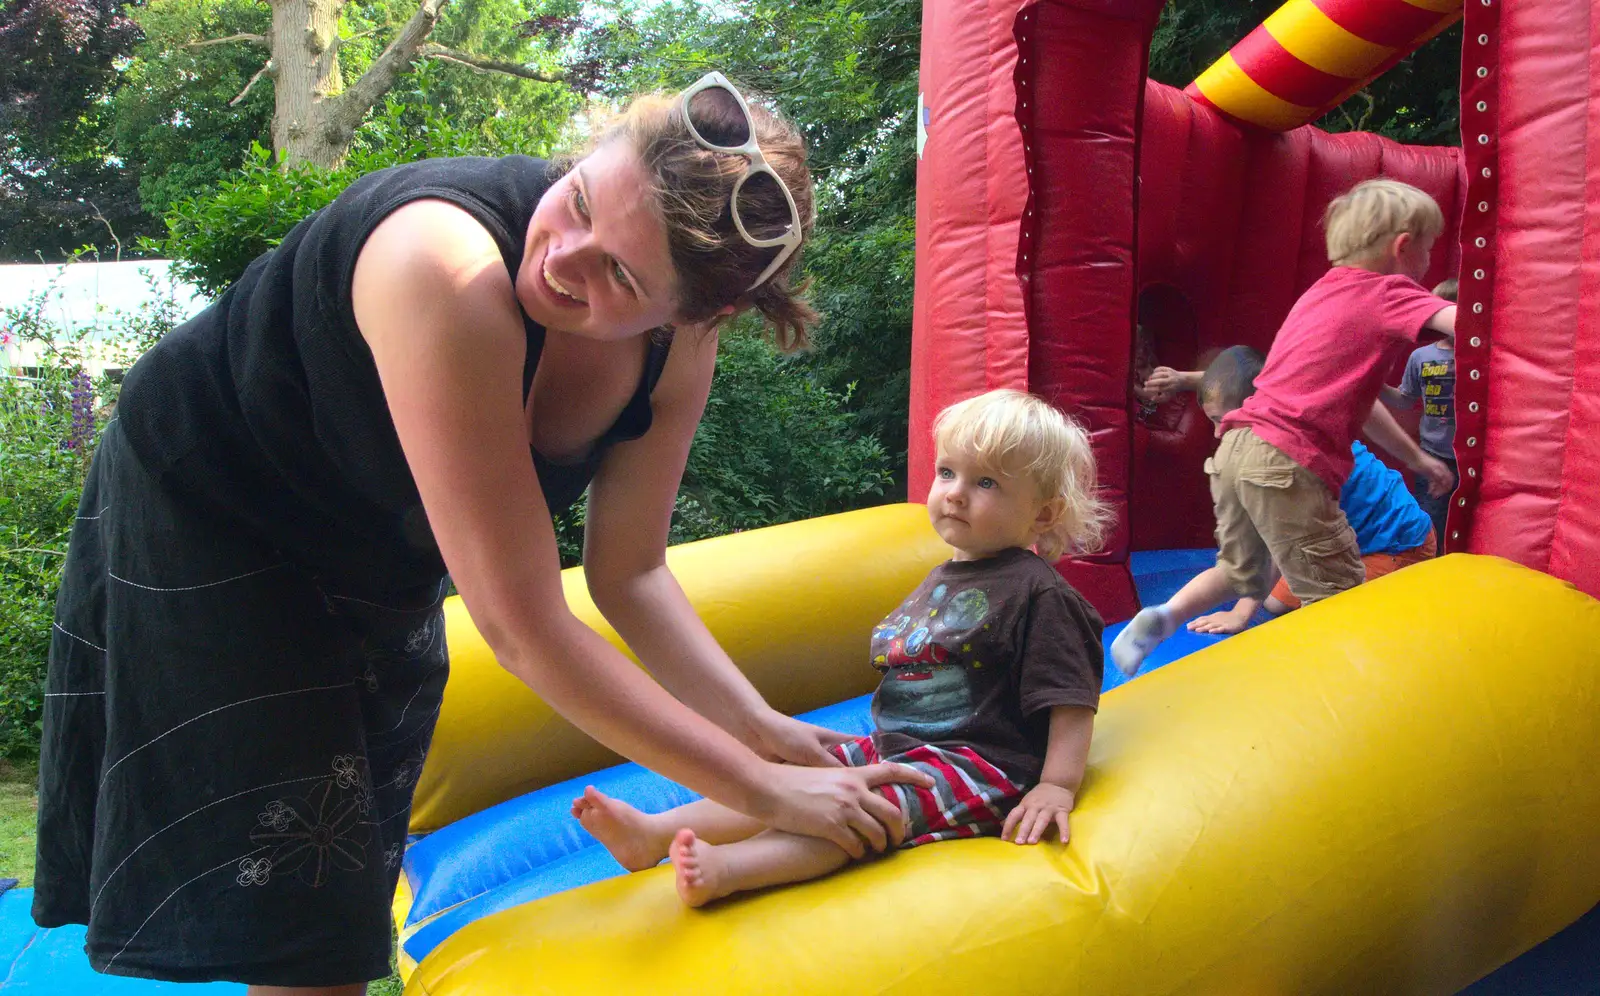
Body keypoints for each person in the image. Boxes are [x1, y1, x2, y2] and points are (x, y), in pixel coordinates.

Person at [33, 72, 935, 994]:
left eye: (620, 274)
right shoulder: (442, 265)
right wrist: (764, 790)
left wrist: (766, 731)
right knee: (304, 910)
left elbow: (631, 576)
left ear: (704, 315)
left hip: (367, 536)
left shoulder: (678, 347)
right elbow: (520, 623)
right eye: (577, 200)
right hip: (216, 503)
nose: (564, 260)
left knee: (345, 857)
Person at [571, 389, 1109, 907]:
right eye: (947, 472)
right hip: (896, 746)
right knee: (793, 777)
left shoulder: (1040, 594)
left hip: (976, 763)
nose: (954, 492)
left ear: (1042, 514)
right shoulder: (946, 576)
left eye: (986, 482)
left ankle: (733, 870)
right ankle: (655, 834)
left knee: (861, 813)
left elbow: (1069, 699)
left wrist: (1056, 786)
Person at [1111, 179, 1457, 677]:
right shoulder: (1389, 289)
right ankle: (1338, 693)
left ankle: (1163, 617)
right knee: (1337, 592)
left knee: (1238, 569)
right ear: (1403, 246)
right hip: (1288, 460)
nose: (1428, 261)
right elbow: (1466, 324)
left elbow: (1359, 406)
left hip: (1234, 449)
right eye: (1429, 249)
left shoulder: (1320, 296)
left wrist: (1420, 460)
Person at [1163, 347, 1438, 635]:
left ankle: (1399, 588)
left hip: (1399, 547)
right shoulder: (1286, 415)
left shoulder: (1291, 463)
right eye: (1213, 421)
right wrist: (1184, 379)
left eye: (1223, 420)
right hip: (1356, 536)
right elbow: (1244, 380)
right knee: (1273, 603)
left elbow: (1275, 547)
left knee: (1319, 617)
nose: (1219, 433)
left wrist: (1239, 615)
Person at [1382, 278, 1459, 545]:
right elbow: (1405, 399)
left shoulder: (1481, 355)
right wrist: (1375, 384)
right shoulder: (1422, 356)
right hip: (1434, 453)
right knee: (1431, 524)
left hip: (1470, 457)